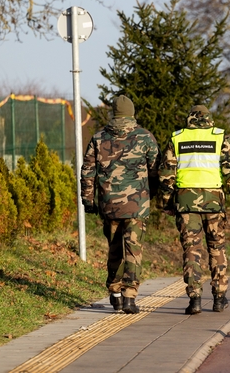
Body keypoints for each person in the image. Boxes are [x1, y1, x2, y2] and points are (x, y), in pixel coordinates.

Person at [159, 105, 230, 314]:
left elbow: (166, 174)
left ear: (189, 119)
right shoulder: (219, 137)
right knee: (216, 247)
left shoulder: (177, 138)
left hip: (186, 203)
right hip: (214, 202)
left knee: (192, 249)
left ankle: (195, 298)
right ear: (208, 119)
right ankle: (219, 297)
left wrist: (167, 203)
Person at [81, 95, 159, 314]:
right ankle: (129, 298)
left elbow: (88, 172)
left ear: (113, 113)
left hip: (109, 205)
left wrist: (88, 200)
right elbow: (156, 169)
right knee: (133, 250)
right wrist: (149, 191)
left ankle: (115, 293)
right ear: (131, 113)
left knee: (114, 249)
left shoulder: (99, 138)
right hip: (137, 205)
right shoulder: (144, 136)